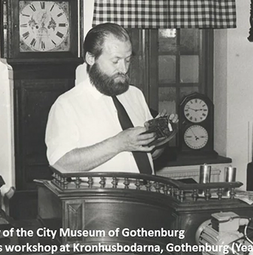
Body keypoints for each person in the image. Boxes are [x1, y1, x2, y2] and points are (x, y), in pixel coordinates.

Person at [45, 23, 178, 174]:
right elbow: (61, 165)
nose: (124, 69)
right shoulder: (66, 105)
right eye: (115, 61)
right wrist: (119, 143)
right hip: (101, 197)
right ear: (90, 58)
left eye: (127, 60)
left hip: (145, 194)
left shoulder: (135, 94)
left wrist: (160, 137)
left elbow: (149, 155)